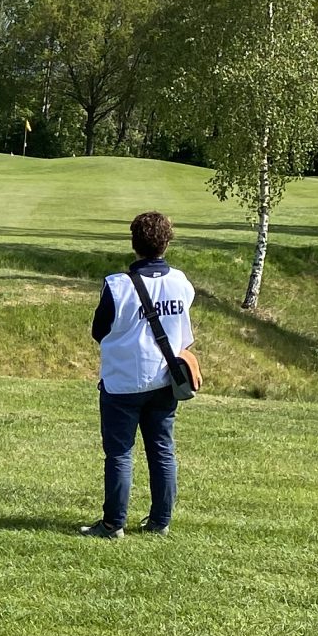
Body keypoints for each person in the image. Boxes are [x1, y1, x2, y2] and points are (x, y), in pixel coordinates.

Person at [81, 209, 196, 539]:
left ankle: (113, 523)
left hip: (122, 382)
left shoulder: (117, 286)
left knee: (119, 454)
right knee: (162, 451)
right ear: (167, 243)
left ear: (134, 244)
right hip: (165, 380)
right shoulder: (181, 283)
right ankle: (160, 521)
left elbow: (99, 331)